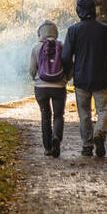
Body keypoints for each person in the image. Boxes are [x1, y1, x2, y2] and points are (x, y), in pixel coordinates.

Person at [61, 0, 107, 158]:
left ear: (79, 11)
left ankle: (87, 146)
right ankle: (99, 132)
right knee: (104, 110)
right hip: (101, 78)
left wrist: (68, 74)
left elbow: (66, 57)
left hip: (81, 79)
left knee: (84, 114)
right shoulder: (105, 29)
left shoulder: (73, 30)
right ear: (93, 10)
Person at [29, 20, 67, 157]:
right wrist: (65, 79)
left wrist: (35, 79)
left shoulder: (36, 47)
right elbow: (69, 65)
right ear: (55, 32)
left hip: (41, 88)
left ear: (40, 33)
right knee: (58, 115)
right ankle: (56, 137)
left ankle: (48, 148)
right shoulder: (62, 46)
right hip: (59, 87)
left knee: (45, 116)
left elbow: (32, 69)